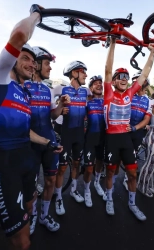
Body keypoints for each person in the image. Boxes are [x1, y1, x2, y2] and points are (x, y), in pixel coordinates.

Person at [0, 5, 62, 250]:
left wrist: (48, 143)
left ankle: (33, 217)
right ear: (12, 59)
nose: (32, 64)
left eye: (34, 62)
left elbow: (25, 131)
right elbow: (18, 36)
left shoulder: (25, 93)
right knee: (21, 242)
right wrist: (36, 15)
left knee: (29, 206)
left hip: (26, 158)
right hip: (4, 164)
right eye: (25, 58)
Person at [103, 36, 154, 220]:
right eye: (121, 77)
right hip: (111, 138)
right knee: (111, 172)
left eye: (127, 76)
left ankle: (132, 204)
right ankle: (109, 198)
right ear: (115, 80)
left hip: (125, 139)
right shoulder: (109, 92)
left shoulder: (130, 93)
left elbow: (145, 73)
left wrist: (153, 53)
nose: (124, 79)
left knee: (132, 173)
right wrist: (112, 44)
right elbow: (108, 70)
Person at [26, 46, 69, 232]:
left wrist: (60, 105)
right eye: (47, 64)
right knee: (32, 186)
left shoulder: (47, 88)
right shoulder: (22, 86)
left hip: (50, 141)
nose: (50, 68)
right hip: (30, 143)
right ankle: (33, 215)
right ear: (35, 65)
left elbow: (52, 116)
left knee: (50, 181)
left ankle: (44, 215)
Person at [53, 60, 91, 215]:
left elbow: (91, 104)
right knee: (62, 168)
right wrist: (59, 110)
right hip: (67, 133)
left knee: (76, 164)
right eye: (83, 72)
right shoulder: (61, 89)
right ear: (74, 73)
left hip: (79, 134)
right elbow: (52, 105)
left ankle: (74, 190)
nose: (86, 75)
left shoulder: (85, 91)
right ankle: (58, 197)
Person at [83, 75, 105, 205]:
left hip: (103, 138)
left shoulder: (107, 101)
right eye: (95, 83)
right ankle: (86, 190)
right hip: (90, 138)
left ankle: (97, 183)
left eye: (100, 83)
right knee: (89, 168)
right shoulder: (87, 102)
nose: (99, 85)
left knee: (100, 163)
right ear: (91, 87)